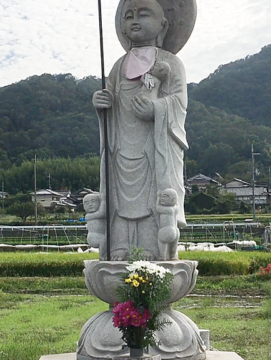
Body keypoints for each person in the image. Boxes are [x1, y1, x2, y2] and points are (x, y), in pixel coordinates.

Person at [91, 0, 193, 260]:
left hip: (154, 149)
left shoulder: (171, 62)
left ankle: (154, 251)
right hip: (121, 149)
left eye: (143, 14)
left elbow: (179, 103)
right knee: (119, 201)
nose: (134, 20)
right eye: (128, 16)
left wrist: (157, 109)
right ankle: (120, 249)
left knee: (155, 198)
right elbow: (111, 101)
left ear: (163, 24)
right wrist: (102, 105)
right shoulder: (118, 66)